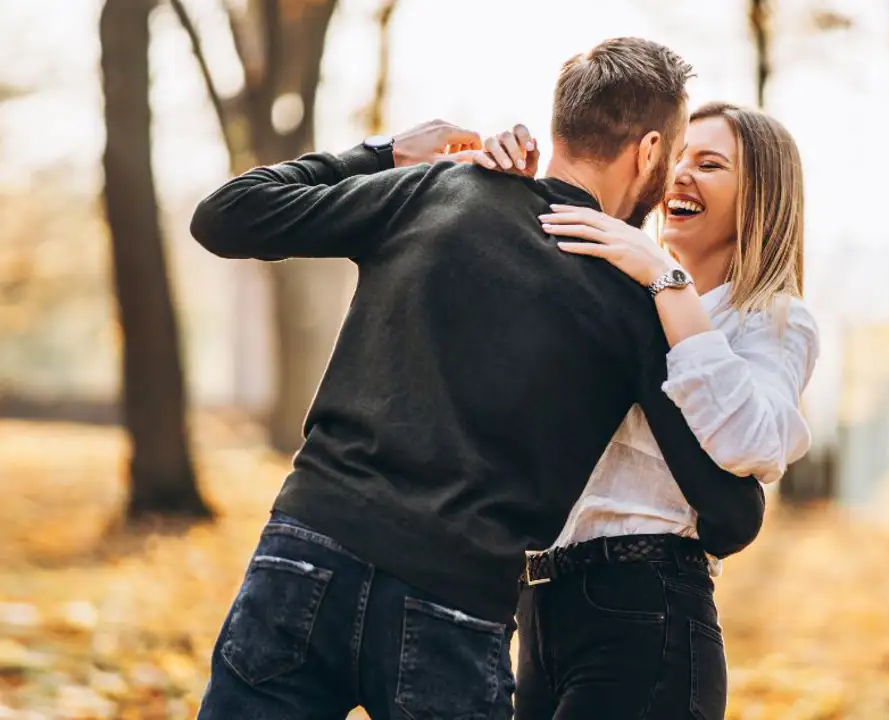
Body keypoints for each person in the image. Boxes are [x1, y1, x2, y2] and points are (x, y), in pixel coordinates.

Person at [188, 38, 766, 720]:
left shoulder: (438, 189)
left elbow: (225, 215)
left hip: (308, 548)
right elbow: (731, 516)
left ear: (561, 127)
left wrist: (387, 152)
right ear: (646, 153)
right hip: (452, 606)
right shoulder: (636, 300)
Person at [482, 102, 816, 719]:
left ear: (760, 199)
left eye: (710, 164)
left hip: (645, 607)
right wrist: (504, 184)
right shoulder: (612, 292)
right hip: (540, 609)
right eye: (679, 157)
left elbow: (753, 441)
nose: (682, 174)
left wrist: (669, 282)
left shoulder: (772, 319)